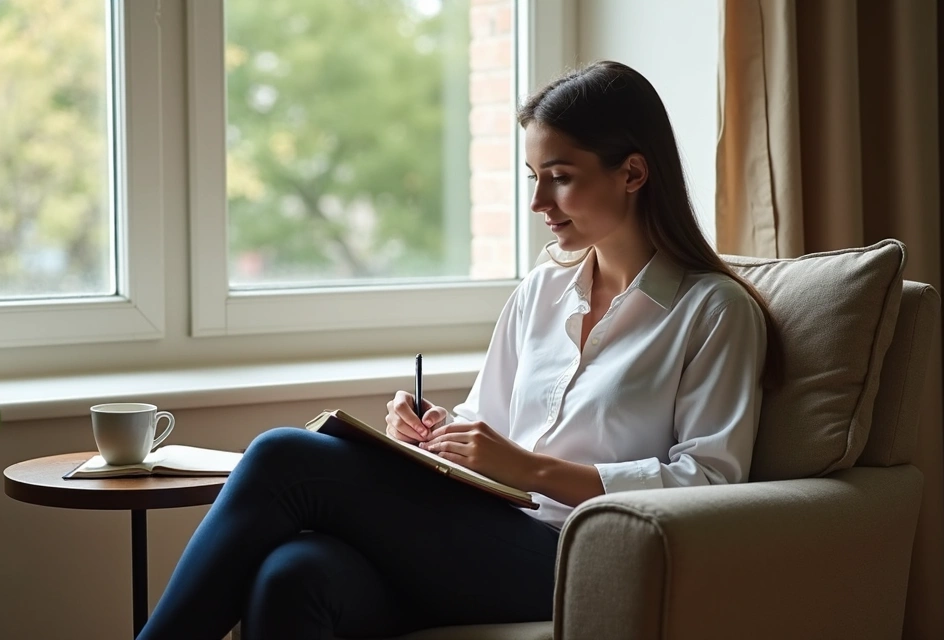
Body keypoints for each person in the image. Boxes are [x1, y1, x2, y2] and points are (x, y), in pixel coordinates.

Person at [137, 60, 782, 640]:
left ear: (633, 172)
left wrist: (532, 471)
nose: (537, 203)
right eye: (534, 177)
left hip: (581, 554)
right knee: (293, 572)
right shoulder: (543, 290)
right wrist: (434, 434)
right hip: (483, 535)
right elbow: (489, 425)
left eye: (559, 178)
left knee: (286, 457)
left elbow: (710, 483)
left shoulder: (713, 311)